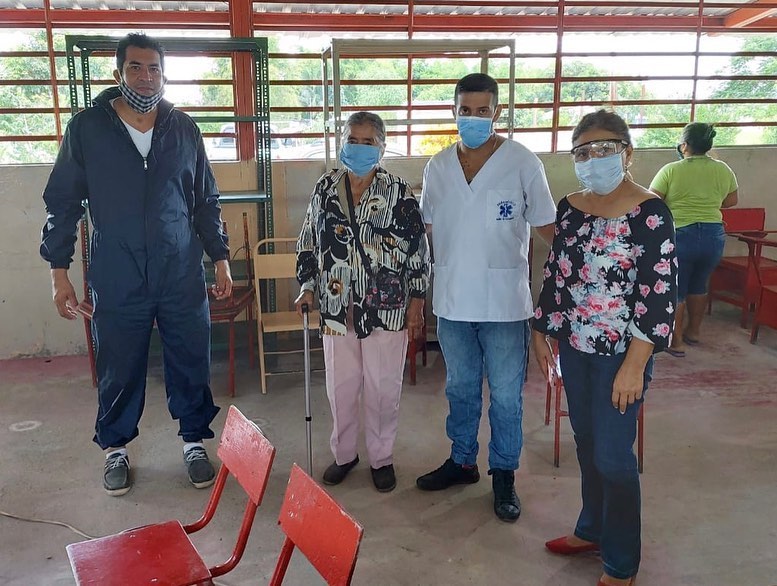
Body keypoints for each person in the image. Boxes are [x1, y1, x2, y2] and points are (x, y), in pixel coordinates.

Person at [40, 33, 231, 496]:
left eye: (154, 69)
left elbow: (205, 199)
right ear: (118, 73)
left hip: (179, 268)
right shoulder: (88, 129)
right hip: (118, 270)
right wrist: (58, 273)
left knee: (190, 355)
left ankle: (193, 441)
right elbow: (62, 203)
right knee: (119, 361)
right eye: (136, 68)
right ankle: (116, 448)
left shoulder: (183, 129)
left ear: (164, 75)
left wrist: (220, 257)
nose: (146, 78)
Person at [532, 110, 677, 586]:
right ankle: (591, 528)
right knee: (587, 442)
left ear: (627, 153)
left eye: (604, 149)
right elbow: (557, 273)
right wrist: (541, 330)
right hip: (575, 347)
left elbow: (658, 295)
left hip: (622, 355)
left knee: (614, 456)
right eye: (582, 152)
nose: (592, 159)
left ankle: (621, 562)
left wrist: (635, 366)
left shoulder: (650, 212)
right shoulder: (571, 207)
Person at [416, 73, 556, 522]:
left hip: (504, 303)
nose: (473, 118)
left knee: (506, 395)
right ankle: (462, 461)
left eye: (482, 111)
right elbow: (423, 228)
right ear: (453, 112)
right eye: (465, 110)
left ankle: (504, 472)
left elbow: (548, 226)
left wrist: (572, 280)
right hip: (453, 300)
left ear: (497, 112)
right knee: (460, 388)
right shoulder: (438, 166)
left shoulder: (522, 162)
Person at [295, 111, 429, 493]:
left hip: (386, 307)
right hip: (336, 306)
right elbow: (308, 241)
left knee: (383, 388)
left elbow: (418, 250)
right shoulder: (325, 188)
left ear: (382, 148)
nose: (359, 147)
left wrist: (417, 300)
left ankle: (381, 457)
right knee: (341, 387)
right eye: (353, 139)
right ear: (342, 142)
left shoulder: (398, 191)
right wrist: (307, 286)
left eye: (368, 142)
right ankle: (344, 454)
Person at [649, 122, 738, 357]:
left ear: (684, 145)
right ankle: (694, 332)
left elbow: (653, 200)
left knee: (677, 288)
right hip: (713, 235)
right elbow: (731, 201)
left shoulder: (671, 170)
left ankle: (676, 341)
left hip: (681, 234)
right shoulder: (723, 169)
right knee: (699, 284)